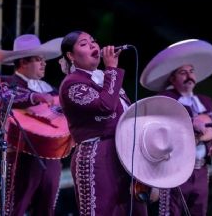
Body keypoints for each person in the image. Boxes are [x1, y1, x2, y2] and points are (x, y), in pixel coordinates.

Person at [140, 39, 212, 216]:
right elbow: (160, 131)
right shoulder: (166, 99)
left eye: (191, 71)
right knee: (170, 212)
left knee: (199, 210)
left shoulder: (205, 101)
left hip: (200, 169)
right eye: (183, 72)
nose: (189, 75)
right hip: (175, 168)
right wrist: (191, 126)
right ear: (172, 79)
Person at [58, 30, 147, 215]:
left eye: (93, 41)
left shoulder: (103, 78)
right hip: (97, 155)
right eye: (83, 44)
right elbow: (105, 106)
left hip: (124, 154)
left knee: (135, 210)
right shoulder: (72, 84)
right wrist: (112, 68)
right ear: (70, 56)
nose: (93, 46)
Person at [0, 34, 65, 216]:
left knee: (47, 209)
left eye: (43, 60)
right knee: (15, 208)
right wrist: (34, 97)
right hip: (20, 155)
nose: (44, 63)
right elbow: (1, 99)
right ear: (23, 62)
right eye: (39, 60)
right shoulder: (4, 83)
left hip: (51, 155)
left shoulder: (51, 90)